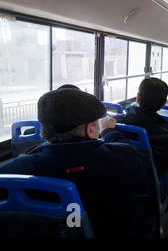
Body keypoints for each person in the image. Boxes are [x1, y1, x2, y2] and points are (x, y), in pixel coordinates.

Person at [0, 87, 148, 237]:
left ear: (44, 131)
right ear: (90, 130)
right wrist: (108, 132)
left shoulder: (13, 170)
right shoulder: (124, 157)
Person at [114, 78, 168, 205]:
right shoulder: (164, 136)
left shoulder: (114, 123)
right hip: (150, 190)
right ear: (164, 104)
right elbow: (166, 165)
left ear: (137, 97)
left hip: (118, 183)